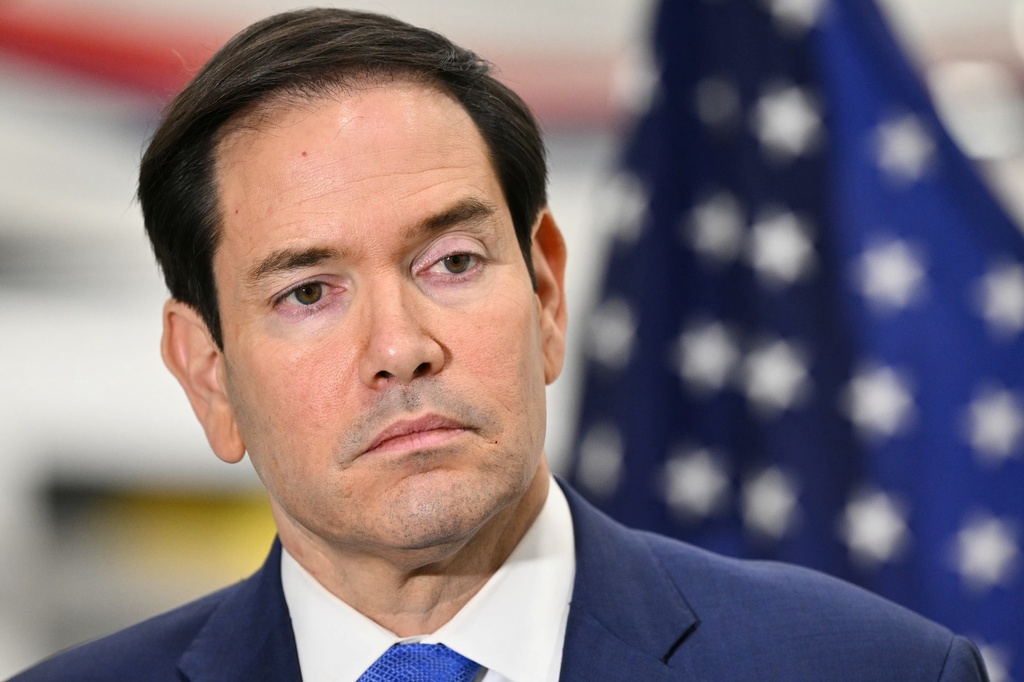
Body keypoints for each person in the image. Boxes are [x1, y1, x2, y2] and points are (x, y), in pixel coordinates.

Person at [14, 8, 988, 682]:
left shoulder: (866, 668)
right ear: (208, 374)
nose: (399, 348)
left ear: (548, 292)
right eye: (309, 291)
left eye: (449, 262)